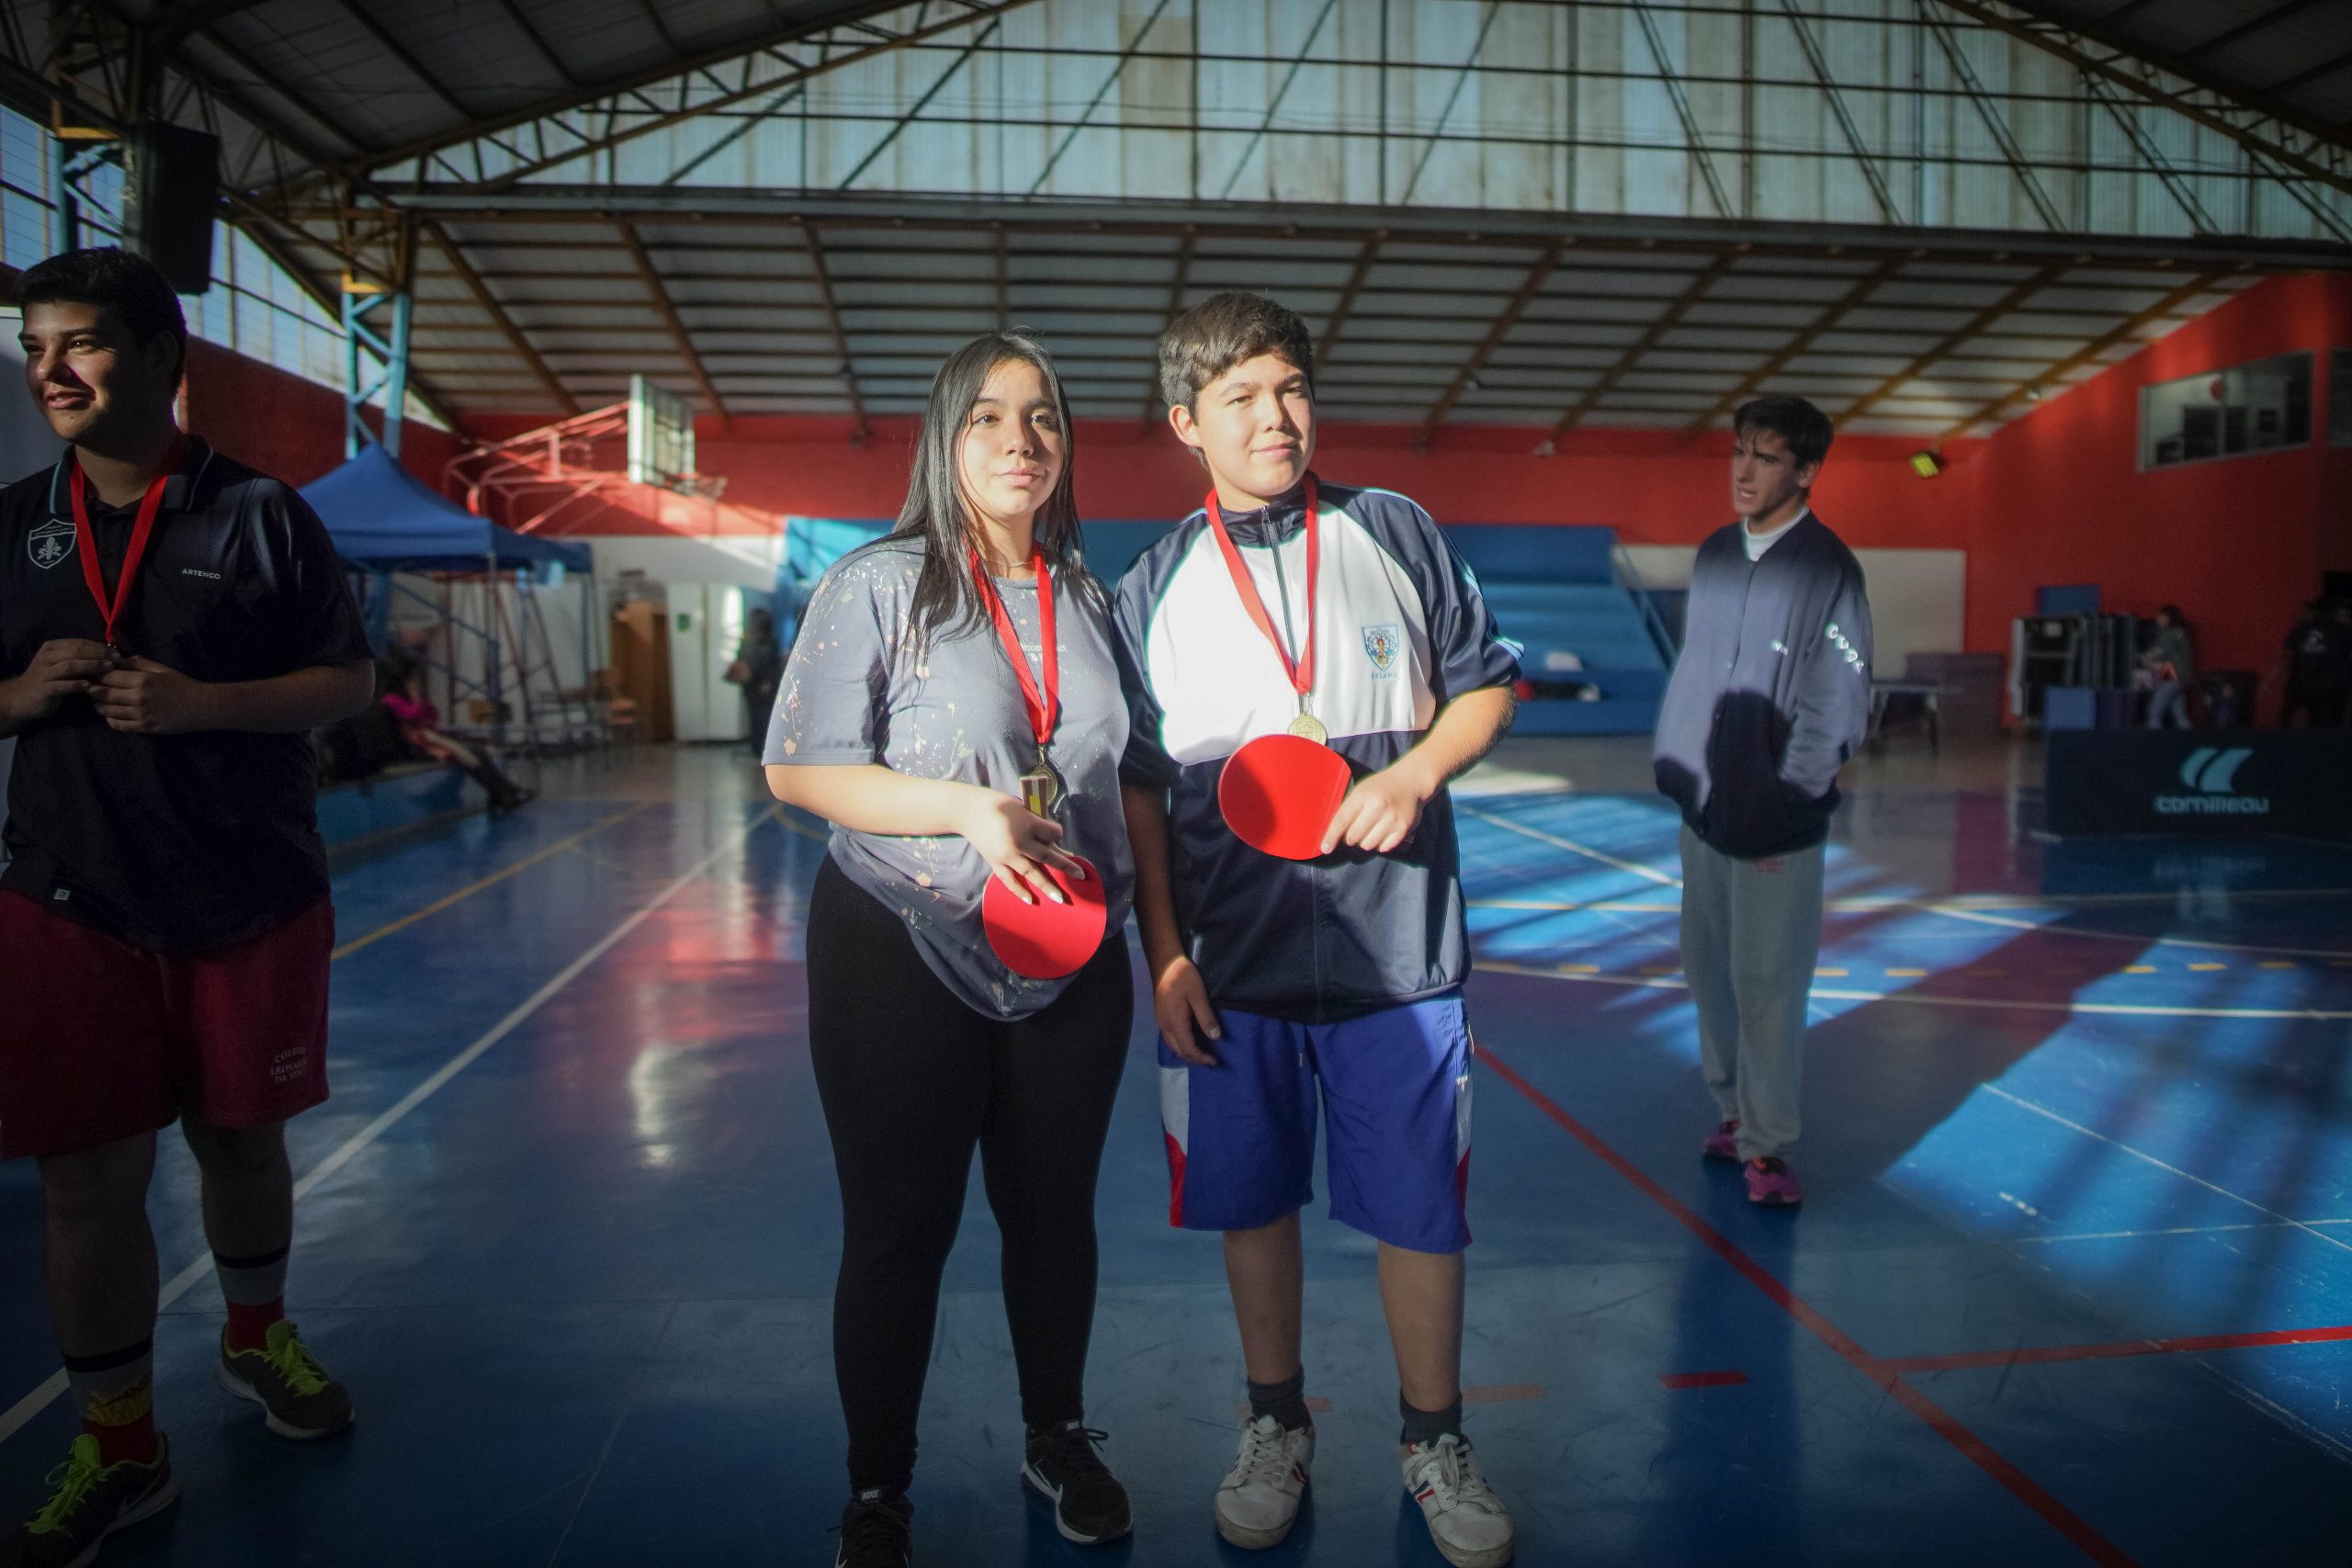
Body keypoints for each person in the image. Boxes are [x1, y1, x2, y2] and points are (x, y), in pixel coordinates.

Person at [1115, 292, 1521, 1567]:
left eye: (1289, 387)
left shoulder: (1390, 526)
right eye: (1239, 397)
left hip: (1399, 951)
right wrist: (1165, 951)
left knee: (1420, 1213)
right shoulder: (1154, 582)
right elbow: (1140, 787)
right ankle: (1275, 1421)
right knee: (1253, 1202)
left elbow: (1488, 682)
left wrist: (1413, 775)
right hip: (1232, 962)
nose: (1274, 416)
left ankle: (1434, 1436)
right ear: (1187, 422)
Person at [0, 247, 369, 1566]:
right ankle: (120, 1442)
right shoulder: (9, 524)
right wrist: (18, 695)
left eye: (81, 342)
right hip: (68, 895)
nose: (49, 367)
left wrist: (208, 705)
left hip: (246, 894)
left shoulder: (262, 513)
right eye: (36, 342)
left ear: (163, 359)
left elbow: (345, 680)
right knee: (86, 1183)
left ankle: (256, 1334)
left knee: (241, 1144)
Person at [763, 333, 1137, 1568]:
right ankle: (878, 1487)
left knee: (1054, 1217)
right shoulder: (878, 581)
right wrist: (964, 808)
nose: (1020, 439)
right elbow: (799, 767)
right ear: (944, 437)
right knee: (897, 1228)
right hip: (899, 940)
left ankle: (1056, 1430)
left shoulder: (1087, 596)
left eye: (1042, 417)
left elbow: (1126, 776)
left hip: (1068, 955)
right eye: (988, 417)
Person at [1653, 393, 1872, 1210]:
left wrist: (1791, 792)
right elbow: (1695, 674)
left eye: (1767, 457)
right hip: (1704, 813)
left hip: (1776, 821)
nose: (1745, 470)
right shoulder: (1714, 555)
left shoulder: (1828, 570)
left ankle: (1770, 1148)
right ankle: (1733, 1109)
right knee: (1709, 973)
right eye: (1739, 451)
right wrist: (1683, 769)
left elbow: (1841, 699)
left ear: (1806, 472)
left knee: (1769, 985)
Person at [377, 649, 534, 813]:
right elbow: (411, 715)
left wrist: (418, 701)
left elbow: (431, 715)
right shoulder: (391, 700)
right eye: (412, 679)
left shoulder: (406, 699)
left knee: (478, 751)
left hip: (427, 741)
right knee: (469, 755)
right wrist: (417, 701)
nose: (416, 683)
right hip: (414, 748)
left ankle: (502, 793)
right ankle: (503, 793)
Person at [729, 605, 784, 756]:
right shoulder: (748, 643)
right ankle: (757, 747)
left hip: (763, 685)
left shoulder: (768, 643)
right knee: (756, 717)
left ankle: (762, 748)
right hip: (752, 684)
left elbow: (773, 666)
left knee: (763, 717)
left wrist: (768, 682)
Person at [2140, 604, 2195, 729]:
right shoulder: (2181, 632)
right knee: (2180, 715)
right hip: (2183, 679)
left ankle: (2155, 745)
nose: (2157, 619)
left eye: (2160, 616)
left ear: (2167, 617)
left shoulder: (2170, 633)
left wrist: (2144, 659)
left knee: (2154, 713)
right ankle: (2190, 743)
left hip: (2171, 677)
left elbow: (2158, 653)